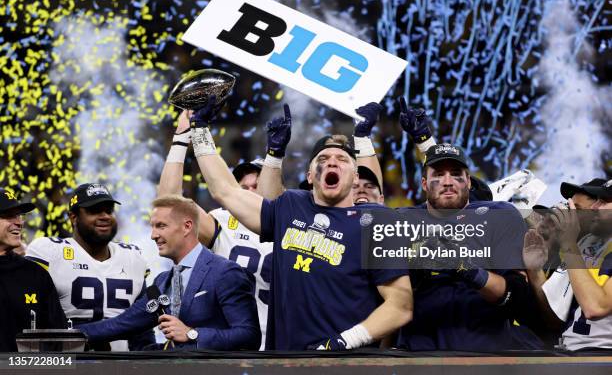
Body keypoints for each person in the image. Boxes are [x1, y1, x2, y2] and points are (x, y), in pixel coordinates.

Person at [188, 103, 413, 351]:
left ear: (356, 177)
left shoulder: (376, 220)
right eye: (323, 159)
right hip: (284, 363)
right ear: (309, 175)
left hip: (348, 365)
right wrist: (199, 130)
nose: (331, 163)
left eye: (342, 159)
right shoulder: (290, 205)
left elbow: (400, 305)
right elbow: (225, 190)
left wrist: (343, 341)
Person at [396, 143, 542, 351]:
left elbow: (516, 297)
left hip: (484, 350)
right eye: (438, 174)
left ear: (468, 182)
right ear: (425, 183)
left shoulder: (499, 215)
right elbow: (383, 295)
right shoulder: (402, 221)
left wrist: (465, 268)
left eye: (456, 174)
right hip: (418, 351)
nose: (447, 182)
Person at [77, 195, 261, 350]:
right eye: (152, 226)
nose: (153, 235)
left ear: (187, 227)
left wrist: (192, 333)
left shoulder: (225, 272)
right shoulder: (162, 282)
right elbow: (122, 324)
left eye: (161, 226)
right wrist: (66, 335)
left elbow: (249, 335)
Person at [158, 109, 273, 350]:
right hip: (226, 343)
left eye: (257, 186)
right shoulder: (223, 222)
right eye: (243, 188)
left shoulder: (294, 219)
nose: (249, 193)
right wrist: (181, 139)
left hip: (282, 342)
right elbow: (170, 205)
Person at [26, 183, 152, 351]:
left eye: (109, 210)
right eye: (94, 210)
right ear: (73, 217)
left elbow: (143, 331)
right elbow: (34, 317)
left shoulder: (133, 257)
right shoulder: (49, 251)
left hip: (121, 364)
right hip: (68, 362)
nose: (105, 216)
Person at [525, 179, 612, 350]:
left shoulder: (573, 245)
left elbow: (595, 308)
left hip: (603, 355)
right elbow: (555, 319)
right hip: (571, 351)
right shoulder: (588, 243)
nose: (595, 207)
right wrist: (534, 270)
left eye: (604, 201)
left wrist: (568, 243)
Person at [0, 188, 66, 352]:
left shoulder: (36, 274)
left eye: (19, 215)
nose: (19, 222)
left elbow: (58, 339)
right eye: (9, 215)